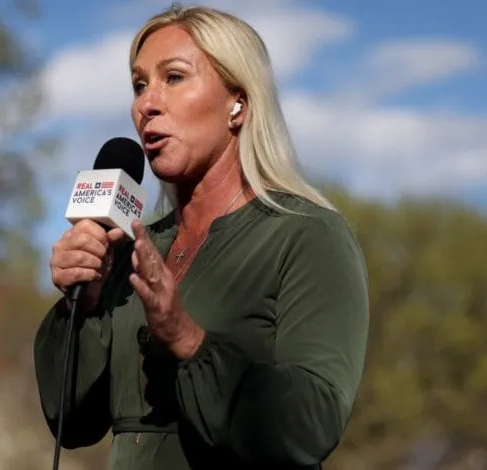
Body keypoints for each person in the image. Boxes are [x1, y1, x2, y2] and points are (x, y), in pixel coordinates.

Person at [34, 4, 369, 469]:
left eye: (173, 77)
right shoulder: (130, 250)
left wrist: (188, 340)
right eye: (139, 84)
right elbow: (71, 423)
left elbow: (314, 423)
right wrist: (84, 304)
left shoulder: (306, 234)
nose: (146, 103)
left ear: (238, 102)